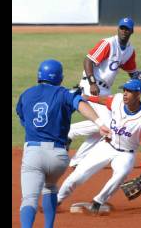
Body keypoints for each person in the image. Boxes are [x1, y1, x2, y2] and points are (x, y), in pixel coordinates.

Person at [16, 59, 110, 228]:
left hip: (34, 154)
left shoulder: (26, 94)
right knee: (50, 188)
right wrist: (99, 123)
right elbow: (81, 104)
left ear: (39, 75)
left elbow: (24, 120)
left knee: (29, 198)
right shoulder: (64, 93)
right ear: (60, 78)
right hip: (58, 157)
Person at [57, 79, 141, 213]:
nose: (125, 94)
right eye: (124, 90)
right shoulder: (118, 99)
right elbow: (102, 100)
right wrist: (85, 97)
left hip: (126, 154)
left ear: (138, 94)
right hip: (106, 145)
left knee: (121, 174)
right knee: (78, 174)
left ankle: (97, 203)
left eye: (129, 91)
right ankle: (56, 200)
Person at [67, 17, 139, 168]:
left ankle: (78, 159)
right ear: (118, 29)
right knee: (109, 125)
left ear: (132, 31)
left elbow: (132, 73)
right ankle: (70, 132)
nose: (124, 31)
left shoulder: (129, 51)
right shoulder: (108, 43)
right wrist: (92, 82)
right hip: (91, 85)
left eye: (127, 29)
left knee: (104, 128)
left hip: (105, 90)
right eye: (122, 28)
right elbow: (88, 60)